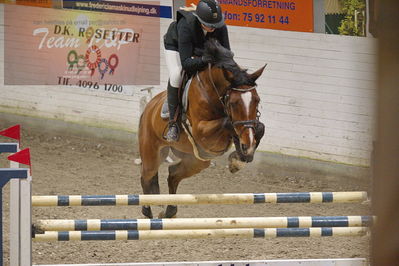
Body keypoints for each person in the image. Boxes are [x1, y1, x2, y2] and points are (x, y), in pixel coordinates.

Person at [163, 0, 231, 142]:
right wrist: (205, 59)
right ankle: (173, 123)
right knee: (176, 74)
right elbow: (187, 63)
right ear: (200, 20)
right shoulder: (186, 26)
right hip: (175, 46)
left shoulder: (220, 25)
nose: (213, 28)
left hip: (201, 50)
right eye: (209, 25)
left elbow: (227, 53)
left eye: (215, 25)